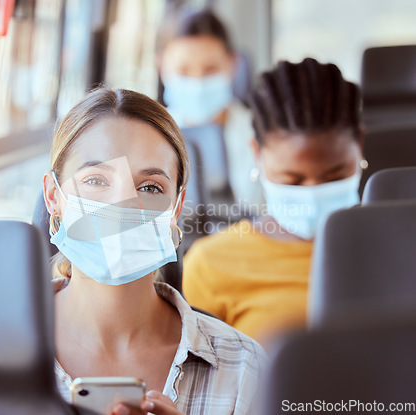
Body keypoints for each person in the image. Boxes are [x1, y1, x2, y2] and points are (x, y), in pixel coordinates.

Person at [43, 87, 266, 415]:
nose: (122, 205)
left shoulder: (245, 369)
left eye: (150, 187)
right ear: (53, 197)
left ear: (176, 208)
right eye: (96, 180)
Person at [183, 58, 367, 348]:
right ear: (256, 153)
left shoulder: (401, 245)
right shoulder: (211, 265)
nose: (313, 192)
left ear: (360, 145)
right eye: (292, 180)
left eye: (335, 175)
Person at [156, 8, 263, 208]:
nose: (197, 84)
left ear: (233, 64)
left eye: (210, 69)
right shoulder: (149, 134)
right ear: (162, 65)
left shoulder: (263, 134)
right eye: (184, 70)